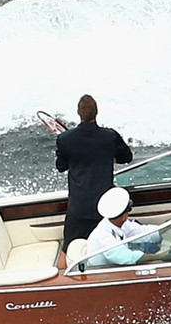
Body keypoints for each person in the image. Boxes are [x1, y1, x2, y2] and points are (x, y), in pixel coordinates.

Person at [55, 94, 133, 249]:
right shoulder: (109, 136)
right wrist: (109, 157)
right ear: (96, 113)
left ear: (79, 113)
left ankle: (63, 272)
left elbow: (61, 166)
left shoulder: (65, 139)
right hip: (105, 207)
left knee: (69, 249)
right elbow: (127, 157)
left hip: (78, 207)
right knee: (110, 248)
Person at [83, 186, 162, 267]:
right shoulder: (104, 236)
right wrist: (161, 256)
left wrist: (163, 231)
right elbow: (127, 257)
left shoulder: (120, 224)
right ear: (124, 215)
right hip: (101, 274)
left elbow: (141, 231)